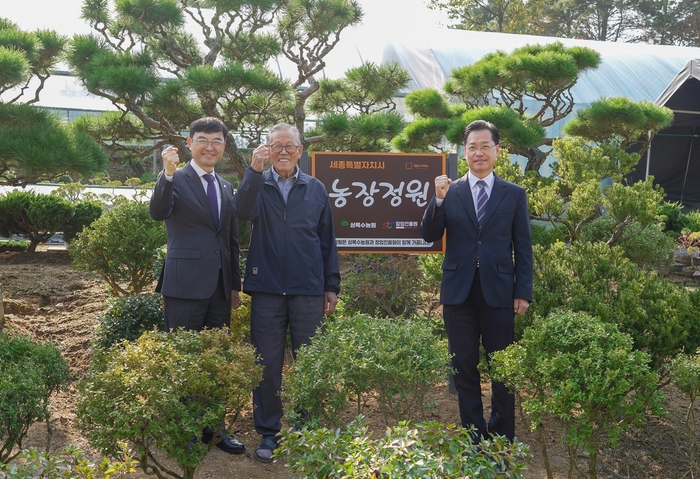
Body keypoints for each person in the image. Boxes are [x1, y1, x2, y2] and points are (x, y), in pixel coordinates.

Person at [233, 122, 340, 463]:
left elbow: (327, 240)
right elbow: (241, 213)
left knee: (309, 361)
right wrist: (253, 172)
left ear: (300, 151)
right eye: (275, 146)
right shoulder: (256, 184)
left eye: (289, 146)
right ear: (266, 149)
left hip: (308, 288)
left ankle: (308, 430)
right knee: (266, 363)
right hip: (265, 289)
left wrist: (331, 285)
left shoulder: (315, 188)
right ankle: (269, 432)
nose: (282, 151)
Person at [420, 120, 533, 442]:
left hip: (500, 293)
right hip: (459, 294)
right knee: (464, 368)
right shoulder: (450, 191)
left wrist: (523, 292)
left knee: (502, 368)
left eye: (485, 146)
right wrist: (437, 200)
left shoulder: (514, 194)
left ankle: (500, 439)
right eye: (472, 147)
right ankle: (474, 438)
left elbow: (523, 248)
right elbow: (429, 235)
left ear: (497, 151)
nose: (478, 152)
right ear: (464, 152)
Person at [149, 116, 245, 454]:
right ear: (189, 143)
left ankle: (214, 429)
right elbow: (158, 212)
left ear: (223, 146)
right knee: (184, 358)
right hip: (184, 285)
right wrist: (168, 173)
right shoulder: (176, 177)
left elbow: (230, 240)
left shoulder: (226, 186)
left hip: (219, 287)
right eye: (203, 139)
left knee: (216, 360)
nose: (210, 146)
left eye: (217, 141)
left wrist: (234, 285)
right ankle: (184, 429)